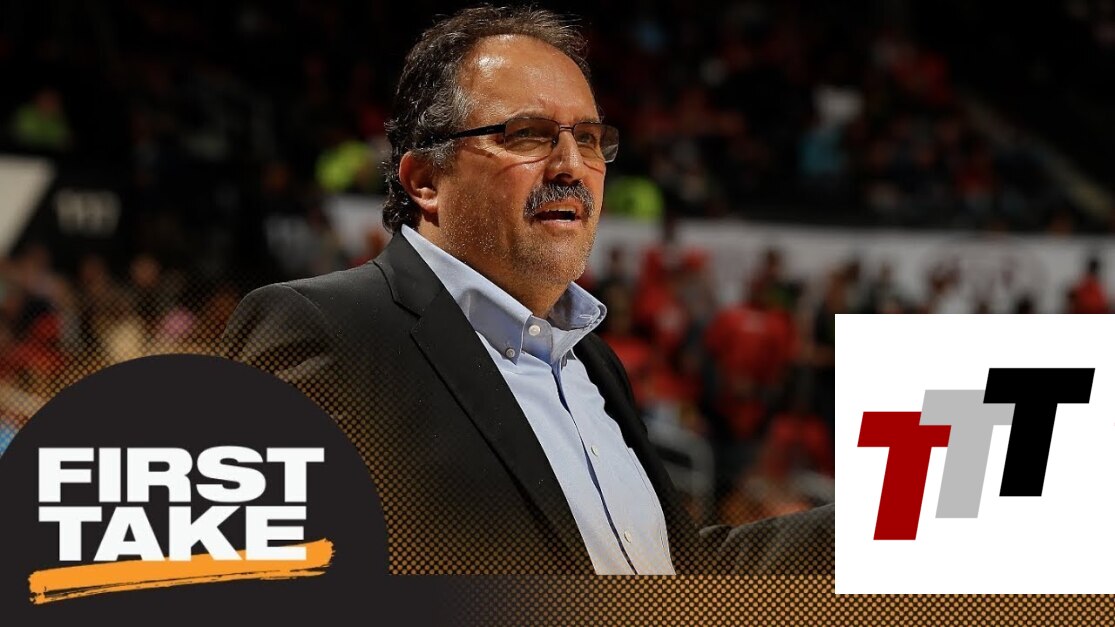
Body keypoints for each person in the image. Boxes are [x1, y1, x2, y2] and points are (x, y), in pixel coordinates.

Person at [223, 5, 831, 575]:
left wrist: (882, 523)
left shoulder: (593, 363)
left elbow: (671, 574)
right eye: (529, 135)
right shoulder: (324, 329)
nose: (571, 165)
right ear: (426, 180)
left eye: (588, 138)